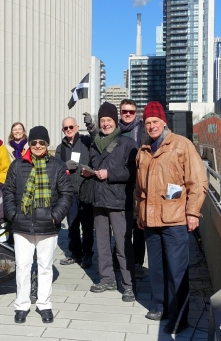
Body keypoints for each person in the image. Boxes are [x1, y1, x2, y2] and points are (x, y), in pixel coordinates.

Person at [135, 101, 207, 334]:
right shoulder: (144, 150)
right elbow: (140, 188)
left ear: (164, 122)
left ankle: (179, 317)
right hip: (150, 219)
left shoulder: (181, 145)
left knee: (177, 271)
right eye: (148, 122)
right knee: (157, 268)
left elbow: (198, 181)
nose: (152, 126)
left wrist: (193, 212)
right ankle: (161, 306)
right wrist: (139, 213)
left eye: (155, 121)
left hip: (175, 219)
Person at [3, 126, 73, 324]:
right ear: (29, 144)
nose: (38, 146)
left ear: (47, 144)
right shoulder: (17, 165)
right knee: (23, 266)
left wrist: (55, 216)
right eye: (34, 142)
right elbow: (8, 192)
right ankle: (22, 305)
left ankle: (44, 304)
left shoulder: (57, 165)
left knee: (44, 266)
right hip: (22, 225)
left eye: (42, 142)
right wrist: (13, 215)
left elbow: (67, 193)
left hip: (47, 226)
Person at [83, 101, 138, 302]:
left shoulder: (127, 144)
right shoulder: (95, 144)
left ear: (115, 121)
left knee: (123, 246)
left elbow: (133, 172)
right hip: (99, 200)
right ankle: (107, 279)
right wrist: (87, 172)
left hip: (119, 201)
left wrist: (110, 174)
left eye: (109, 120)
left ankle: (129, 285)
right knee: (102, 244)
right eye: (102, 120)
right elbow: (93, 166)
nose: (105, 123)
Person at [112, 99, 150, 279]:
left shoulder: (143, 130)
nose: (127, 114)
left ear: (136, 113)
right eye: (124, 111)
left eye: (131, 112)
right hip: (119, 182)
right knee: (119, 224)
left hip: (139, 183)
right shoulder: (114, 130)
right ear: (120, 112)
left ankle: (137, 263)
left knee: (138, 226)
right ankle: (117, 260)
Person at [57, 115, 95, 269]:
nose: (68, 130)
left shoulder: (86, 141)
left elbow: (97, 139)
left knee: (87, 225)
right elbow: (56, 169)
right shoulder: (60, 148)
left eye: (71, 127)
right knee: (72, 225)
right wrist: (64, 166)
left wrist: (91, 126)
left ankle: (88, 254)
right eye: (65, 128)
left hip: (86, 189)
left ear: (77, 128)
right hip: (70, 192)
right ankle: (75, 254)